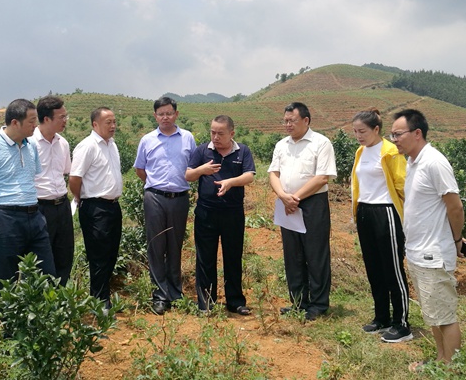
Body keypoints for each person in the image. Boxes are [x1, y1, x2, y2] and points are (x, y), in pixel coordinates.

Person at [390, 109, 464, 370]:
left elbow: (455, 206)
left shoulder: (434, 162)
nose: (394, 140)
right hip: (418, 251)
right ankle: (441, 360)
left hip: (434, 253)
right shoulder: (413, 162)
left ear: (417, 133)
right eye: (392, 135)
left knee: (445, 315)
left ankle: (451, 367)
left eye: (398, 134)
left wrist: (456, 239)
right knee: (434, 314)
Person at [0, 99, 56, 291]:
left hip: (34, 216)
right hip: (3, 218)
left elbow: (31, 179)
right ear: (15, 122)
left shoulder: (31, 146)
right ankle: (8, 313)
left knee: (47, 277)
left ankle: (43, 311)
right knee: (5, 281)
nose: (36, 125)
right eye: (32, 121)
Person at [268, 102, 336, 321]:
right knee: (293, 255)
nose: (288, 124)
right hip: (287, 204)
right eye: (285, 121)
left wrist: (294, 198)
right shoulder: (281, 145)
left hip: (312, 203)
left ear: (306, 120)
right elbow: (273, 174)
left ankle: (318, 304)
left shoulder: (321, 143)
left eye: (292, 120)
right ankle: (298, 302)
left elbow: (322, 177)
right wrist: (283, 196)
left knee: (316, 254)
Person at [351, 109, 411, 342]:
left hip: (386, 212)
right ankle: (381, 317)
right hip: (364, 212)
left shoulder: (391, 152)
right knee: (373, 267)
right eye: (355, 132)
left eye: (362, 131)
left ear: (376, 129)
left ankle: (401, 323)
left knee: (392, 268)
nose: (358, 136)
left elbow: (403, 185)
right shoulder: (360, 151)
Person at [186, 115, 255, 315]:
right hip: (206, 213)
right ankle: (206, 303)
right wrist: (202, 170)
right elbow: (188, 175)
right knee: (205, 257)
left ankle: (235, 301)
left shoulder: (242, 151)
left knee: (233, 256)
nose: (215, 137)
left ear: (232, 133)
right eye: (213, 132)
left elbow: (249, 176)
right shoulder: (202, 151)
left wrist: (230, 182)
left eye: (220, 133)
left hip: (233, 214)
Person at [133, 97, 196, 315]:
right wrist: (155, 185)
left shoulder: (187, 138)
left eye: (169, 113)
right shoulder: (147, 140)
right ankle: (160, 296)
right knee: (156, 246)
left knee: (175, 245)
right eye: (161, 114)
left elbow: (193, 167)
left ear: (176, 114)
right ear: (155, 116)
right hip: (155, 197)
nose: (165, 117)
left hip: (180, 197)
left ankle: (176, 293)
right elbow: (140, 169)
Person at [69, 107, 122, 310]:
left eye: (114, 121)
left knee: (111, 254)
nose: (113, 126)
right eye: (108, 122)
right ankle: (100, 302)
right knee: (99, 256)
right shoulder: (87, 146)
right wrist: (80, 198)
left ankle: (102, 296)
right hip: (95, 207)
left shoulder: (112, 145)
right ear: (95, 124)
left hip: (113, 206)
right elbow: (75, 178)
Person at [30, 95, 75, 286]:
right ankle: (44, 297)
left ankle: (61, 296)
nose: (65, 120)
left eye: (66, 116)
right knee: (41, 257)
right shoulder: (29, 144)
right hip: (39, 207)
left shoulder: (62, 143)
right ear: (46, 119)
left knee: (65, 253)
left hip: (62, 205)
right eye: (61, 117)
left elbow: (65, 171)